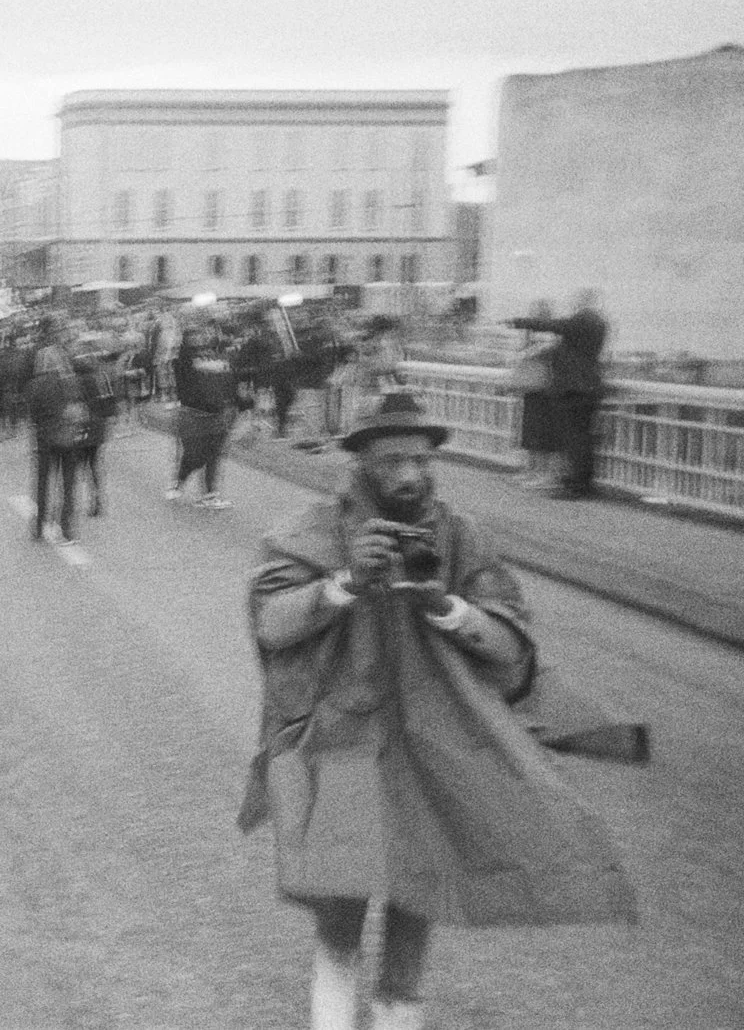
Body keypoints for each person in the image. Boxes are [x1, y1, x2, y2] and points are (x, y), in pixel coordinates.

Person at [242, 392, 644, 1030]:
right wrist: (343, 583)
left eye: (421, 460)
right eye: (391, 461)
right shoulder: (312, 532)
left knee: (417, 898)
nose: (408, 475)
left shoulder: (458, 536)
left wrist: (448, 609)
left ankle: (399, 1016)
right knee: (341, 907)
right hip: (341, 741)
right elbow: (272, 625)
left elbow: (512, 646)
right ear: (360, 464)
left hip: (434, 745)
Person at [509, 289, 608, 499]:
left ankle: (576, 486)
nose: (574, 304)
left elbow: (554, 326)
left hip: (575, 389)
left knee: (575, 440)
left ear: (584, 302)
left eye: (577, 301)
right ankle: (581, 484)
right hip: (588, 387)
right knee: (583, 439)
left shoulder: (583, 320)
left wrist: (520, 322)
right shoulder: (598, 323)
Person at [25, 320, 87, 544]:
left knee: (43, 482)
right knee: (68, 483)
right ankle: (66, 528)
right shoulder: (71, 380)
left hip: (44, 439)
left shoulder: (36, 384)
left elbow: (31, 414)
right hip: (69, 438)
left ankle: (39, 527)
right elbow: (80, 407)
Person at [169, 323, 240, 509]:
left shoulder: (212, 356)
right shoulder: (182, 360)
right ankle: (180, 481)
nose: (199, 339)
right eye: (193, 336)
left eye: (201, 335)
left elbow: (227, 377)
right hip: (192, 414)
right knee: (195, 456)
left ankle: (210, 495)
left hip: (216, 413)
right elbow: (188, 367)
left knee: (214, 455)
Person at [509, 299, 562, 489]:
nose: (536, 314)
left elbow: (553, 354)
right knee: (529, 431)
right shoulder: (531, 332)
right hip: (532, 387)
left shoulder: (553, 333)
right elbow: (522, 351)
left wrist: (530, 353)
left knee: (542, 431)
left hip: (545, 388)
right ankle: (531, 470)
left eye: (540, 311)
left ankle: (543, 472)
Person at [70, 333, 120, 518]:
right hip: (98, 425)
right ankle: (97, 499)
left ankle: (72, 501)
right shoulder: (101, 375)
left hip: (80, 426)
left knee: (75, 466)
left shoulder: (73, 378)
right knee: (94, 464)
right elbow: (110, 401)